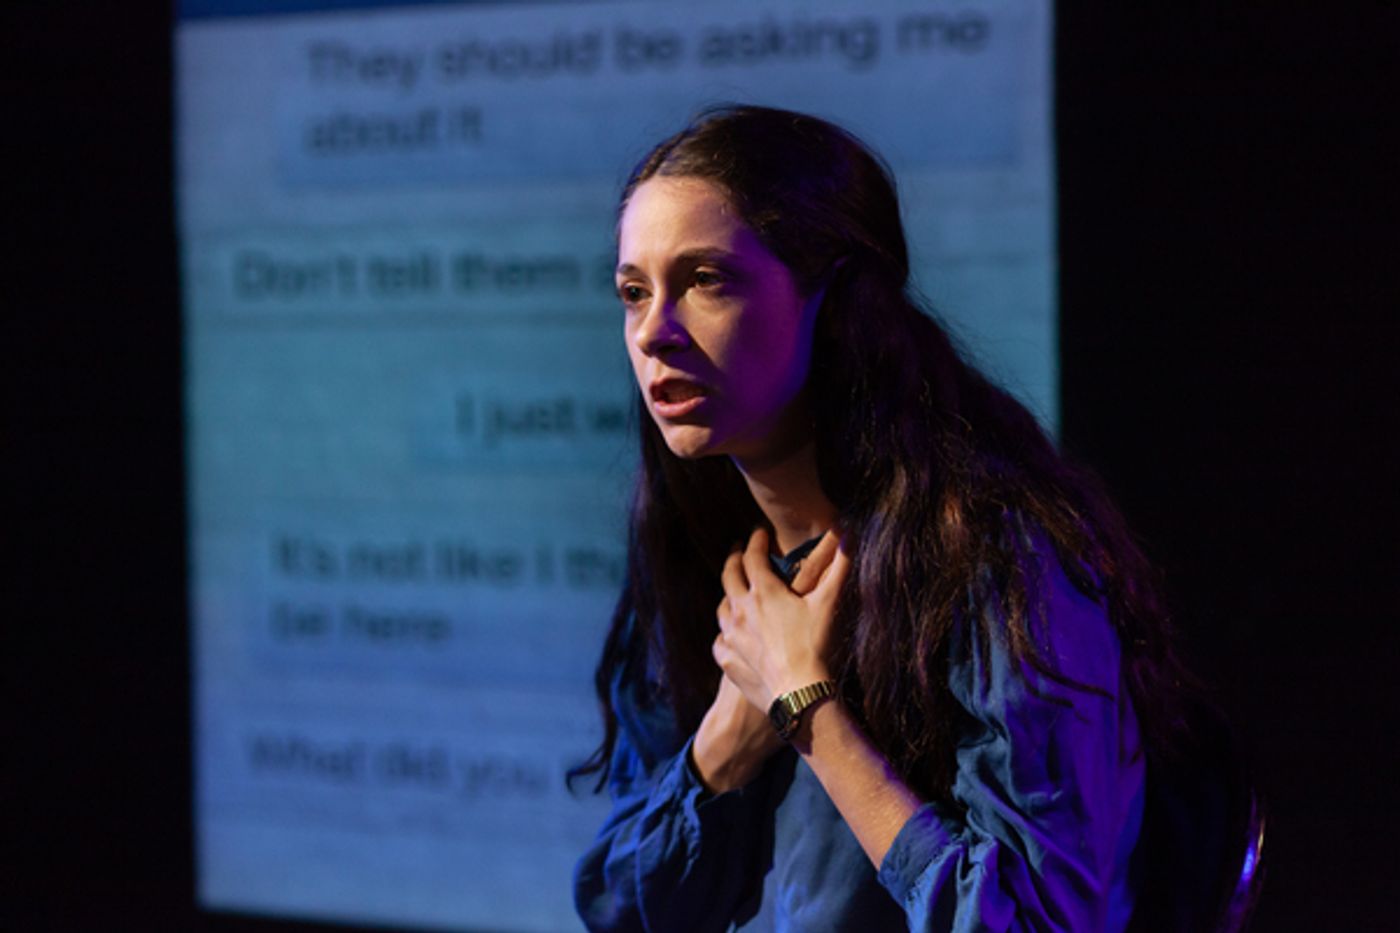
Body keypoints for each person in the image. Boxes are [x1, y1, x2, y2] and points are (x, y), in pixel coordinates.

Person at [570, 105, 1204, 932]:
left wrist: (808, 708)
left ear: (830, 299)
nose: (654, 332)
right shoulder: (704, 556)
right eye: (633, 292)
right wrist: (730, 733)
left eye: (706, 280)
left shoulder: (994, 557)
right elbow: (621, 909)